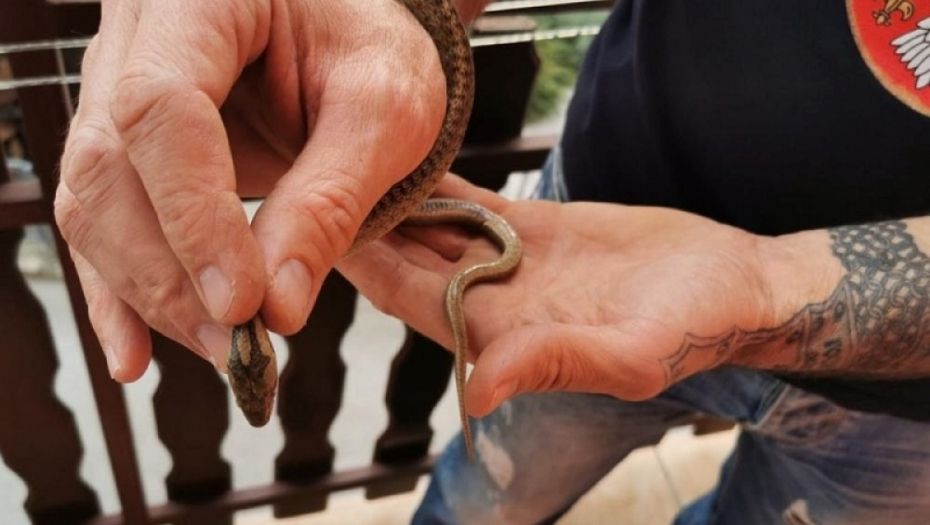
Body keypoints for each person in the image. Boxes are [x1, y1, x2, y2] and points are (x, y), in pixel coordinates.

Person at [55, 0, 930, 523]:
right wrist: (373, 14)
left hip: (908, 419)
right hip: (590, 243)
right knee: (483, 502)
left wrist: (771, 283)